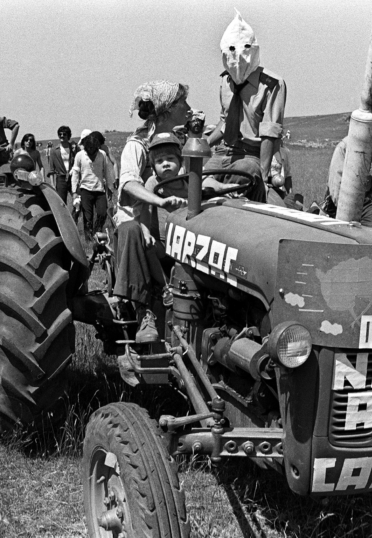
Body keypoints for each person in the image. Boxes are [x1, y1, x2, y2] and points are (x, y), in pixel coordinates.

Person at [114, 81, 190, 342]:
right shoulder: (137, 146)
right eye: (183, 104)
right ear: (166, 111)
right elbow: (129, 184)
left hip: (169, 221)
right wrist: (158, 202)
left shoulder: (179, 142)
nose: (189, 109)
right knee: (133, 231)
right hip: (138, 218)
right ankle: (143, 311)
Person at [204, 10, 286, 203]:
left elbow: (269, 133)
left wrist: (263, 175)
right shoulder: (225, 81)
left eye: (244, 48)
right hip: (224, 151)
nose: (237, 56)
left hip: (252, 154)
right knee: (192, 177)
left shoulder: (271, 84)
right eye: (231, 50)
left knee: (244, 172)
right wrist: (203, 144)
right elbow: (225, 121)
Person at [324, 102, 372, 229]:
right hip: (342, 200)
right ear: (369, 124)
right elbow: (335, 183)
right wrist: (344, 211)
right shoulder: (345, 147)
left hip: (365, 202)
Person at [71, 130, 115, 242]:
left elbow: (107, 172)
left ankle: (97, 231)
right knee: (87, 216)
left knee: (102, 213)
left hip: (99, 189)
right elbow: (75, 173)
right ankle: (88, 239)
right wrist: (74, 191)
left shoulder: (102, 155)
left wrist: (110, 188)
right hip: (85, 189)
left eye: (93, 150)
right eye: (89, 149)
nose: (91, 152)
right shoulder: (79, 156)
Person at [47, 126, 77, 204]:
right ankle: (65, 216)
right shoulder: (54, 151)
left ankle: (74, 216)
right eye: (60, 134)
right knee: (61, 203)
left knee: (78, 200)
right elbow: (51, 169)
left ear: (68, 136)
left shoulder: (74, 148)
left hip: (73, 177)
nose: (62, 136)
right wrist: (52, 184)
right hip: (61, 179)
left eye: (64, 134)